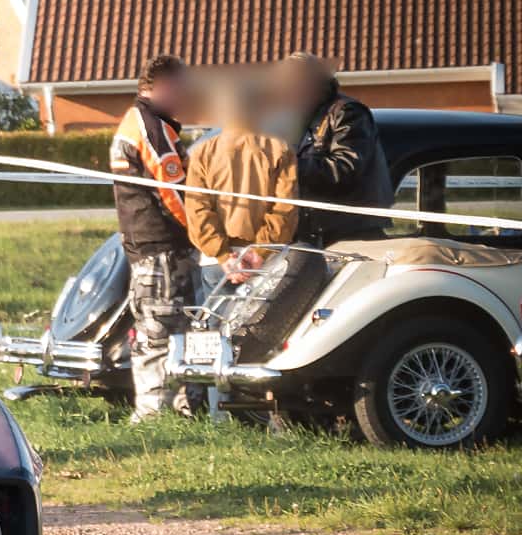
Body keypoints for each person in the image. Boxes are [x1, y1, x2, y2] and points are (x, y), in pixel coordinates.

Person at [109, 54, 199, 419]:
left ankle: (183, 410)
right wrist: (199, 231)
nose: (186, 97)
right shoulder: (150, 127)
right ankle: (152, 416)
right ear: (164, 85)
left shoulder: (139, 122)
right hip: (161, 247)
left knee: (176, 328)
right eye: (182, 89)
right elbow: (171, 192)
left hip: (147, 246)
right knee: (159, 331)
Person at [264, 52, 392, 244]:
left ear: (314, 85)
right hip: (308, 233)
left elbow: (345, 168)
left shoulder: (347, 113)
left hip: (348, 235)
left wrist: (286, 166)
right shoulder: (296, 118)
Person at [185, 75, 299, 283]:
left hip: (216, 263)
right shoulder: (280, 149)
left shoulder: (202, 152)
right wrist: (259, 252)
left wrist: (223, 255)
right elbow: (285, 208)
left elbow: (197, 210)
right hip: (266, 260)